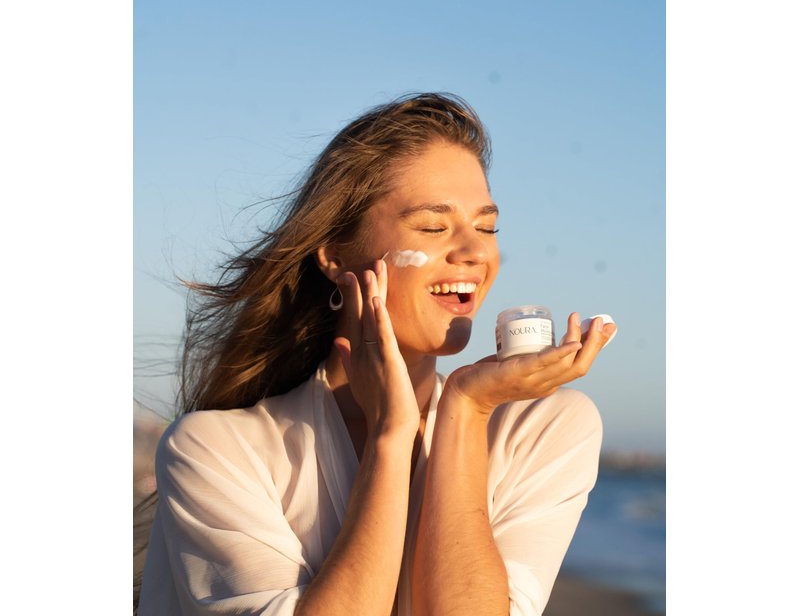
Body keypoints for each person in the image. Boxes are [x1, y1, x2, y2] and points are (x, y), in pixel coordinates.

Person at [137, 92, 616, 616]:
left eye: (486, 227)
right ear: (335, 256)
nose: (475, 252)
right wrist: (391, 435)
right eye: (433, 227)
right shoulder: (217, 450)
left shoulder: (542, 428)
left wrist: (465, 411)